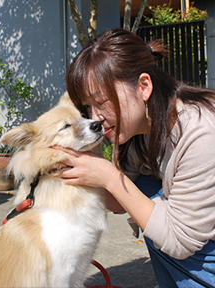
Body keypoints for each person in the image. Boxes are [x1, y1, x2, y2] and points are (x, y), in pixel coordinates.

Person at [56, 28, 215, 287]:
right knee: (144, 190)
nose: (95, 117)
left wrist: (109, 175)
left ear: (143, 86)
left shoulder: (202, 131)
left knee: (153, 211)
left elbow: (179, 239)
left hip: (193, 243)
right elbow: (120, 202)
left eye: (102, 101)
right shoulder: (140, 131)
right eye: (87, 107)